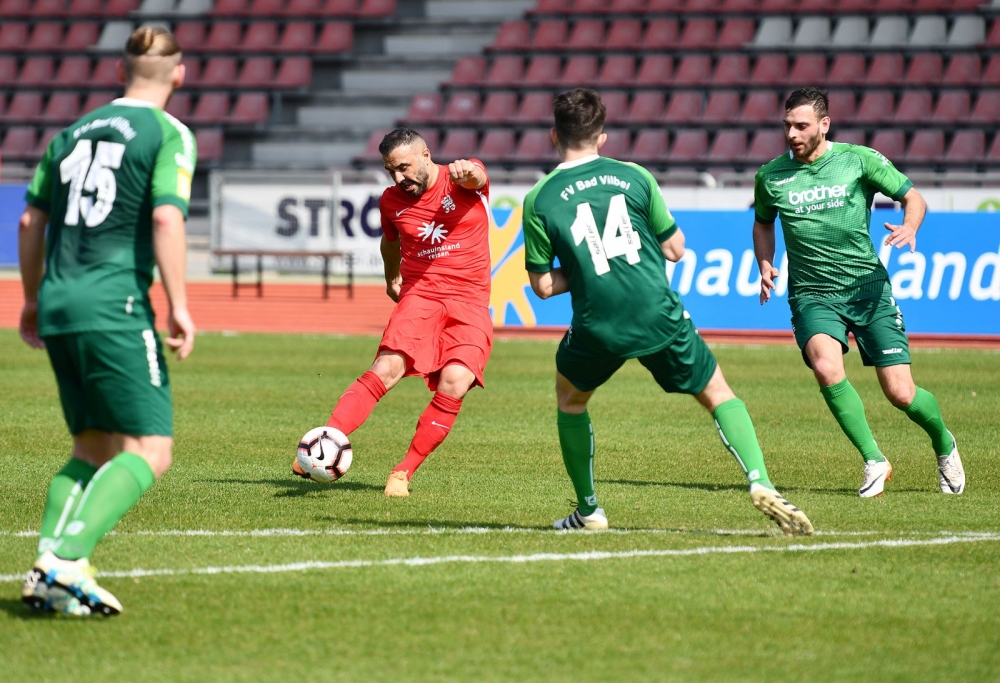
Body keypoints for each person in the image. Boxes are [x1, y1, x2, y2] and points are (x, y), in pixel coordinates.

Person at [521, 88, 813, 535]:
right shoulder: (634, 176)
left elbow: (542, 287)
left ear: (553, 136)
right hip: (657, 310)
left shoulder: (539, 198)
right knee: (718, 394)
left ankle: (589, 511)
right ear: (602, 137)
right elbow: (676, 249)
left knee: (570, 400)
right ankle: (761, 481)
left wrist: (585, 267)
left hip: (598, 321)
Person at [18, 25, 197, 616]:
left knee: (91, 447)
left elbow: (29, 222)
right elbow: (167, 219)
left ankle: (46, 572)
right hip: (114, 303)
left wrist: (30, 299)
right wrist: (179, 305)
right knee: (150, 449)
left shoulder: (69, 133)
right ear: (180, 74)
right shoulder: (168, 132)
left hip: (58, 300)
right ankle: (67, 560)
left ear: (119, 71)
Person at [752, 87, 965, 499]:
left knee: (901, 393)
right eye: (787, 126)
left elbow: (913, 197)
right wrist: (765, 261)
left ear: (824, 124)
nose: (792, 134)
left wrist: (910, 226)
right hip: (812, 293)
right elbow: (763, 223)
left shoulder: (858, 160)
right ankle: (874, 459)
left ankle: (943, 442)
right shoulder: (771, 176)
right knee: (826, 367)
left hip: (868, 290)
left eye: (801, 126)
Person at [293, 128, 493, 497]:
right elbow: (390, 242)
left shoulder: (461, 180)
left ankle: (403, 472)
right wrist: (392, 277)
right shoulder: (390, 201)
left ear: (426, 155)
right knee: (386, 368)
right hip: (421, 296)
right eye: (391, 171)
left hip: (470, 301)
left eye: (404, 167)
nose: (399, 178)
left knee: (456, 381)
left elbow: (477, 176)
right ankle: (324, 442)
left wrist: (470, 172)